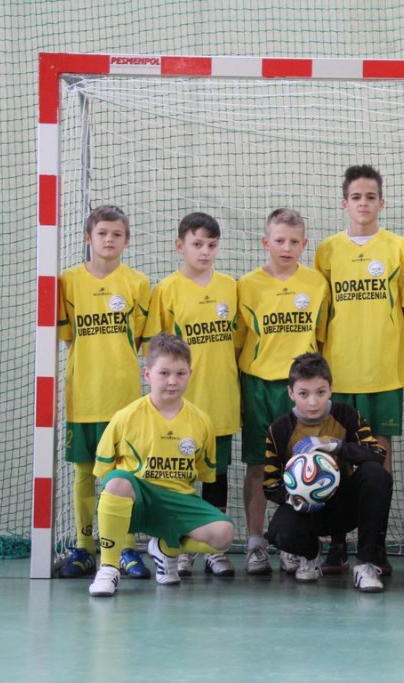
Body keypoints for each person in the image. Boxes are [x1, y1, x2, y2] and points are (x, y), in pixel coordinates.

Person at [313, 164, 404, 575]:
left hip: (384, 370)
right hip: (339, 372)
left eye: (370, 196)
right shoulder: (327, 251)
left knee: (379, 458)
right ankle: (338, 544)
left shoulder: (399, 249)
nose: (363, 203)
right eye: (356, 197)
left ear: (381, 202)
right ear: (344, 203)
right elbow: (321, 315)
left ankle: (375, 546)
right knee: (336, 455)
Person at [88, 334, 235, 597]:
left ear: (190, 374)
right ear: (148, 374)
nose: (172, 381)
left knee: (224, 534)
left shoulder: (202, 422)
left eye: (180, 373)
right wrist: (124, 499)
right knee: (117, 482)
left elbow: (203, 474)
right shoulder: (125, 417)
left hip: (179, 501)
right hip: (140, 499)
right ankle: (108, 568)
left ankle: (165, 550)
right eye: (164, 373)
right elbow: (105, 475)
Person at [56, 204, 151, 580]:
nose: (109, 240)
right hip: (83, 395)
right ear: (88, 237)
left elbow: (140, 340)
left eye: (117, 234)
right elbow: (68, 337)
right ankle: (84, 547)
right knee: (84, 472)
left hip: (123, 398)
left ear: (126, 241)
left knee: (123, 475)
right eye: (102, 233)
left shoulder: (138, 283)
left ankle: (125, 548)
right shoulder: (68, 282)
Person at [235, 208, 331, 575]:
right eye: (279, 241)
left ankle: (294, 544)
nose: (286, 248)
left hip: (301, 389)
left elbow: (321, 338)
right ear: (266, 242)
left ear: (304, 244)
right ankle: (256, 543)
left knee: (303, 465)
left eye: (294, 241)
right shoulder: (247, 285)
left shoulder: (316, 283)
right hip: (259, 385)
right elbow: (238, 343)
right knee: (258, 465)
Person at [144, 212, 240, 577]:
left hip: (221, 398)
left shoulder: (230, 287)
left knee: (216, 476)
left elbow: (238, 342)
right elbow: (156, 350)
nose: (205, 252)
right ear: (180, 246)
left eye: (212, 245)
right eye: (197, 244)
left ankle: (215, 550)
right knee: (178, 476)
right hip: (178, 405)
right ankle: (179, 546)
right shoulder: (166, 290)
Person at [262, 353, 393, 592]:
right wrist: (292, 498)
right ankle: (309, 554)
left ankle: (365, 564)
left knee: (376, 474)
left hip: (345, 508)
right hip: (307, 512)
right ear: (291, 393)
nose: (313, 402)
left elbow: (377, 454)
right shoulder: (279, 428)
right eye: (304, 394)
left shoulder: (347, 415)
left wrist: (334, 445)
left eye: (320, 392)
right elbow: (270, 484)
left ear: (331, 389)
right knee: (279, 533)